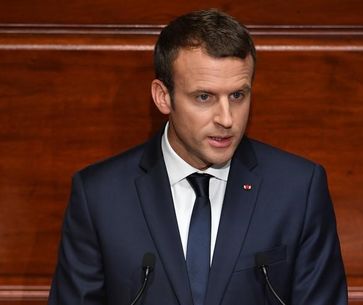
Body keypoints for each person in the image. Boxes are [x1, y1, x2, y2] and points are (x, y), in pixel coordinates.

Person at [48, 9, 347, 305]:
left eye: (238, 96)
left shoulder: (298, 189)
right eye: (204, 97)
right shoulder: (99, 195)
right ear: (163, 97)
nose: (227, 119)